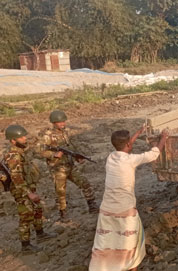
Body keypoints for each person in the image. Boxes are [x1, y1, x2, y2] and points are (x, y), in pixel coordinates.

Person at [89, 124, 168, 271]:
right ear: (128, 144)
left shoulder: (110, 157)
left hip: (106, 209)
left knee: (106, 241)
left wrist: (138, 132)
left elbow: (125, 145)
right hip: (125, 209)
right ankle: (131, 268)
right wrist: (163, 137)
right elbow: (154, 153)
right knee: (132, 243)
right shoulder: (131, 160)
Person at [1, 125, 56, 252]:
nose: (25, 138)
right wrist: (28, 193)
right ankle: (25, 246)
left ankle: (40, 234)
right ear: (13, 140)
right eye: (21, 137)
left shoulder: (21, 153)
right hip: (20, 190)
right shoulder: (13, 156)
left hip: (28, 188)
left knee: (37, 209)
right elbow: (16, 178)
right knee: (26, 216)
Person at [37, 110, 97, 221]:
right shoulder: (47, 135)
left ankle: (92, 205)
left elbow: (70, 147)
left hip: (69, 165)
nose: (63, 124)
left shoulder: (64, 132)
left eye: (64, 122)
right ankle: (63, 214)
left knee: (84, 183)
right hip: (57, 168)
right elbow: (39, 151)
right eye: (60, 122)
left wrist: (77, 156)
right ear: (54, 122)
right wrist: (54, 154)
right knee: (61, 192)